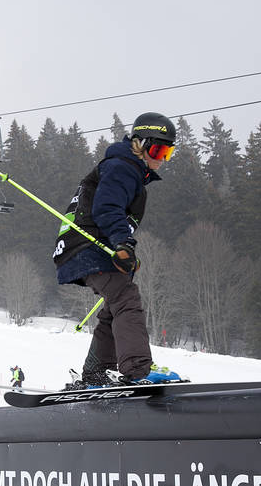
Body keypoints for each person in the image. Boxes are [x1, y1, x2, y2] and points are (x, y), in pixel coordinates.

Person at [55, 112, 183, 387]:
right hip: (86, 245)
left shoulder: (131, 173)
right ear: (139, 143)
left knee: (115, 305)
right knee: (126, 298)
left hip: (85, 247)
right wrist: (124, 243)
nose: (162, 158)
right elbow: (107, 208)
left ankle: (95, 373)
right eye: (158, 149)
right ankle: (138, 369)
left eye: (168, 152)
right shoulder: (123, 166)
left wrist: (124, 249)